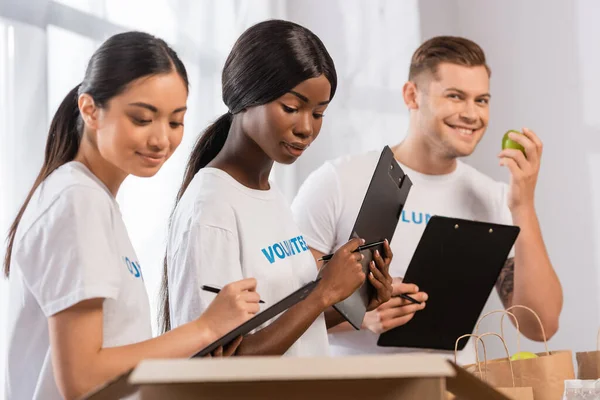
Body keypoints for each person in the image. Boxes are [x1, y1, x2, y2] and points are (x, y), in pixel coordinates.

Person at [4, 31, 260, 400]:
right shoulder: (77, 200)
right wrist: (204, 328)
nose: (161, 140)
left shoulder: (90, 198)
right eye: (142, 119)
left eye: (175, 122)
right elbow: (83, 377)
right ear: (90, 109)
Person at [291, 35, 563, 363]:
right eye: (455, 96)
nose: (472, 114)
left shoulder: (492, 197)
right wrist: (359, 315)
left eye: (482, 100)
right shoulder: (337, 181)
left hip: (458, 388)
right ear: (411, 95)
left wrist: (523, 204)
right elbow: (285, 310)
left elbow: (541, 325)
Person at [160, 19, 394, 357]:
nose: (306, 128)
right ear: (245, 96)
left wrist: (355, 299)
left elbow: (290, 328)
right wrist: (323, 292)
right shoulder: (211, 208)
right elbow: (219, 363)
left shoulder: (270, 196)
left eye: (318, 113)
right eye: (291, 108)